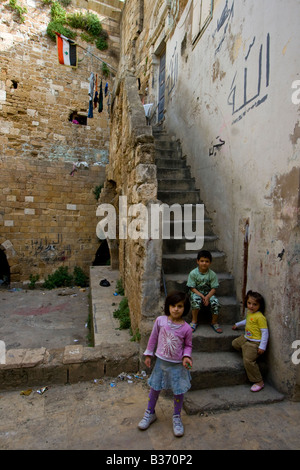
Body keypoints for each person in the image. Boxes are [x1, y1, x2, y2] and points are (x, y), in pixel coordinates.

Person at [138, 291, 193, 437]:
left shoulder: (187, 328)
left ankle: (176, 417)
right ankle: (150, 412)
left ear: (185, 308)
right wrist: (149, 353)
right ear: (168, 306)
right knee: (155, 388)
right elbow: (153, 337)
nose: (176, 309)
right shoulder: (160, 321)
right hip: (161, 363)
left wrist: (186, 357)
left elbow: (188, 346)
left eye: (180, 306)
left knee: (178, 391)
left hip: (177, 366)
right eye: (173, 305)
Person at [232, 290, 269, 392]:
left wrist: (262, 346)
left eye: (255, 304)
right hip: (246, 338)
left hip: (255, 342)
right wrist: (237, 324)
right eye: (249, 303)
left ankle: (258, 381)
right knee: (235, 343)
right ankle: (246, 348)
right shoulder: (250, 313)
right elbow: (246, 321)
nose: (251, 306)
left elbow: (265, 332)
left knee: (248, 360)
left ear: (259, 305)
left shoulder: (260, 317)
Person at [187, 250, 222, 333]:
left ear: (210, 263)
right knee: (195, 301)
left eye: (207, 261)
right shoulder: (193, 273)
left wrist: (207, 297)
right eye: (202, 261)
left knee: (215, 302)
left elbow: (214, 288)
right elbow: (192, 288)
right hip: (196, 292)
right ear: (197, 261)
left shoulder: (212, 274)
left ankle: (214, 322)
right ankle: (194, 321)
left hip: (208, 293)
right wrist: (202, 296)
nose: (204, 263)